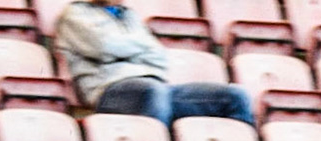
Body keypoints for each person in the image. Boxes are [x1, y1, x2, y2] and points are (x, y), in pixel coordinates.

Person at [56, 0, 255, 126]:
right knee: (153, 91)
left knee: (234, 96)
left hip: (154, 86)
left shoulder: (129, 15)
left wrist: (123, 49)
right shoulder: (75, 14)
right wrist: (138, 49)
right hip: (107, 89)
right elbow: (104, 46)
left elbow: (158, 54)